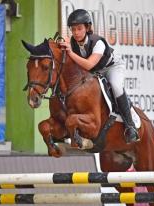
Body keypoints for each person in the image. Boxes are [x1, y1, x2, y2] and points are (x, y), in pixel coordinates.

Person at [60, 9, 140, 143]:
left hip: (111, 67)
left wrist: (70, 53)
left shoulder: (98, 43)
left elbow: (89, 65)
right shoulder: (73, 42)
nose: (76, 33)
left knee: (115, 86)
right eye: (73, 29)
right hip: (95, 71)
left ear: (87, 27)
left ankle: (130, 126)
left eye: (79, 28)